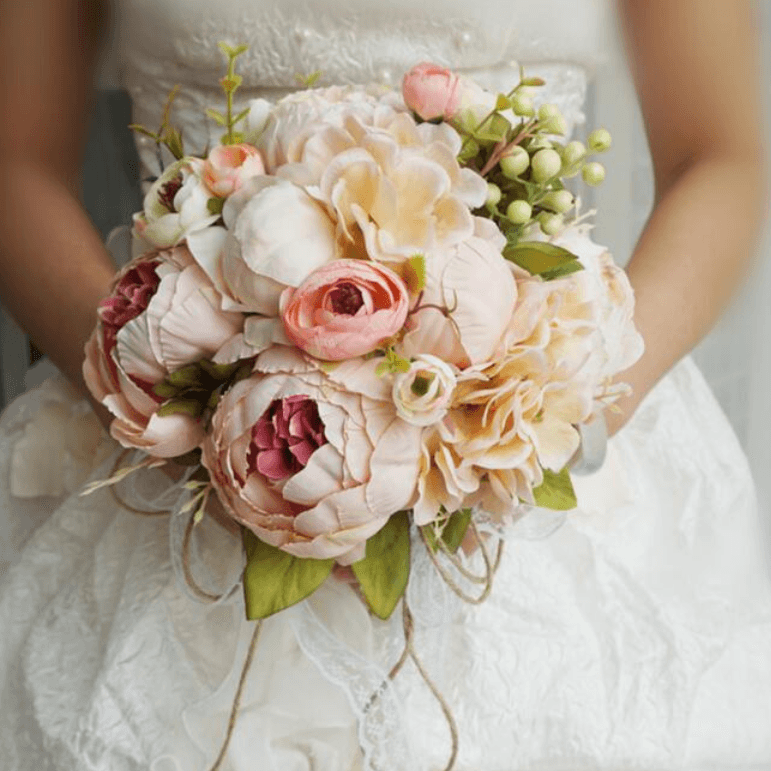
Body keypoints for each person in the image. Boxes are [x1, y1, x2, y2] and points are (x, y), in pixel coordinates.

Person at [0, 0, 769, 769]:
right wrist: (182, 406)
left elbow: (720, 156)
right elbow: (16, 163)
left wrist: (552, 412)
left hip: (541, 448)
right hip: (174, 456)